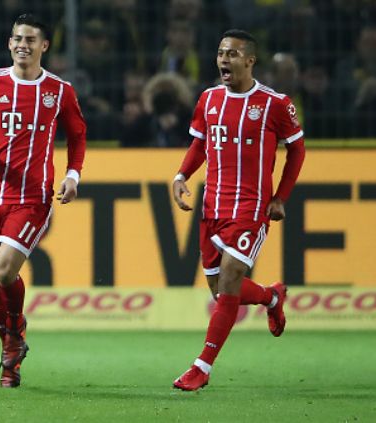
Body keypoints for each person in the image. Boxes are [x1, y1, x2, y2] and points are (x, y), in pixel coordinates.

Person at [0, 14, 87, 388]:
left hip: (31, 197)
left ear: (44, 46)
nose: (22, 45)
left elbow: (77, 136)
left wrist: (73, 175)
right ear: (9, 43)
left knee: (4, 271)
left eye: (30, 40)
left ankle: (16, 333)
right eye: (17, 38)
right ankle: (11, 356)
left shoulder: (59, 91)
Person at [171, 29, 306, 391]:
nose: (223, 60)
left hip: (250, 207)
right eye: (220, 53)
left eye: (231, 54)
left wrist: (280, 197)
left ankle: (202, 366)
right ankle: (271, 296)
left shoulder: (275, 104)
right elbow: (199, 143)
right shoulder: (209, 99)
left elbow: (297, 150)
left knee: (230, 278)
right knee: (220, 291)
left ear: (250, 60)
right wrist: (182, 174)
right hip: (212, 206)